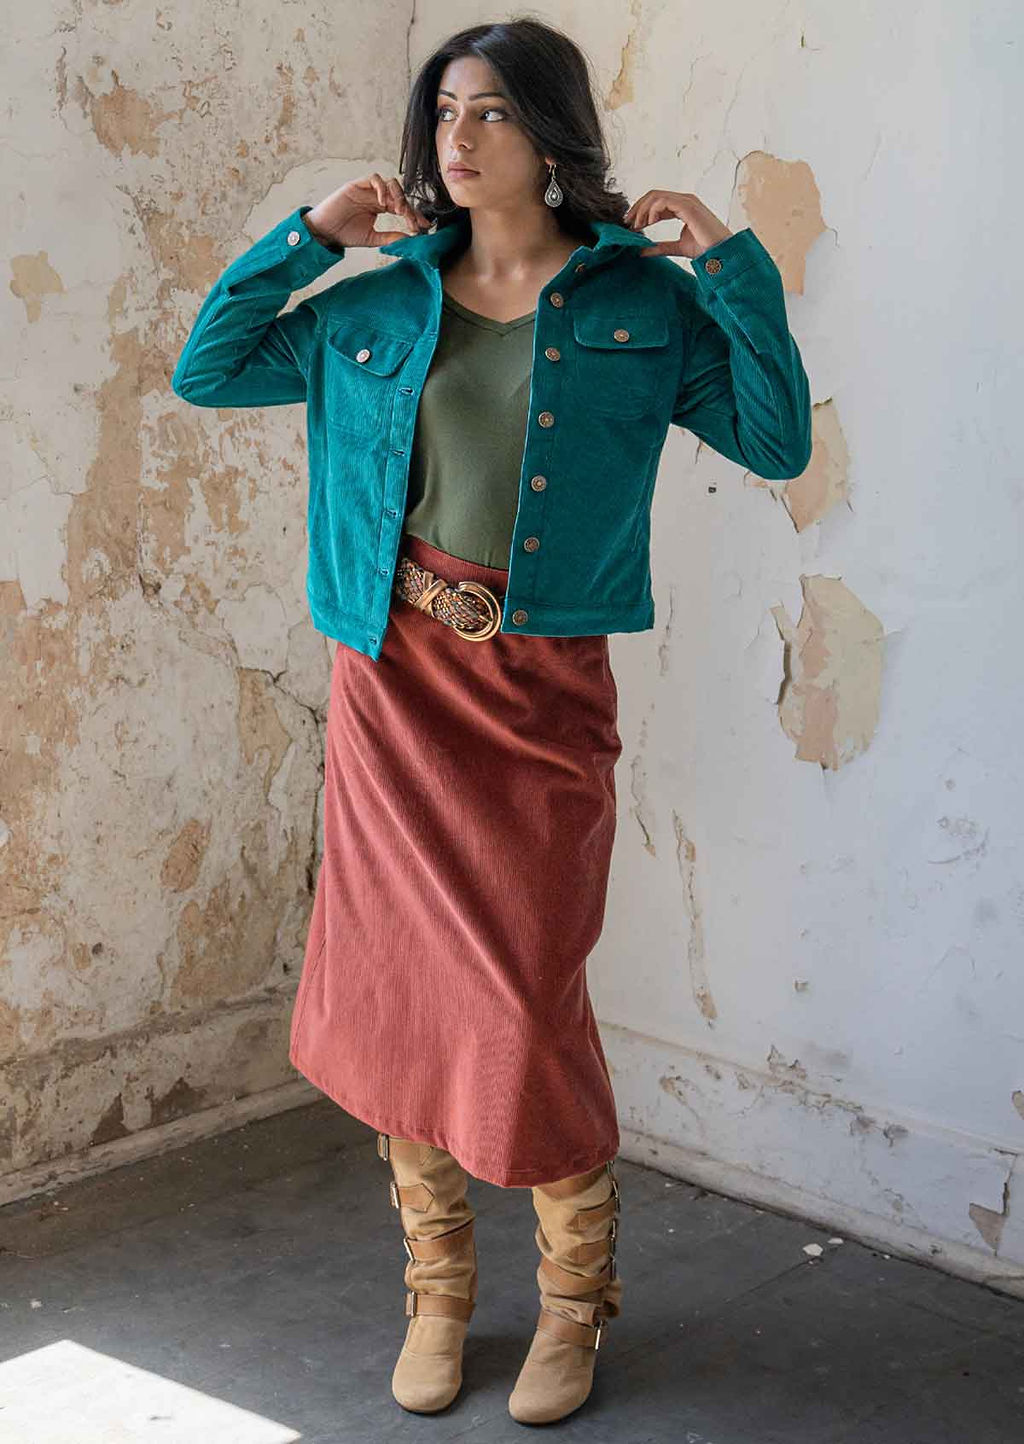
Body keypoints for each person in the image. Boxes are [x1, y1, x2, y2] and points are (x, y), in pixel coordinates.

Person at [171, 15, 811, 1427]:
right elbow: (207, 370)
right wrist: (303, 239)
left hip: (537, 696)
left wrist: (732, 266)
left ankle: (576, 1302)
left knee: (525, 1003)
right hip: (393, 685)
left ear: (552, 135)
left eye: (494, 114)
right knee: (403, 997)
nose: (460, 140)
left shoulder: (639, 303)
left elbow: (776, 437)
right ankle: (442, 1292)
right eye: (446, 113)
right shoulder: (374, 299)